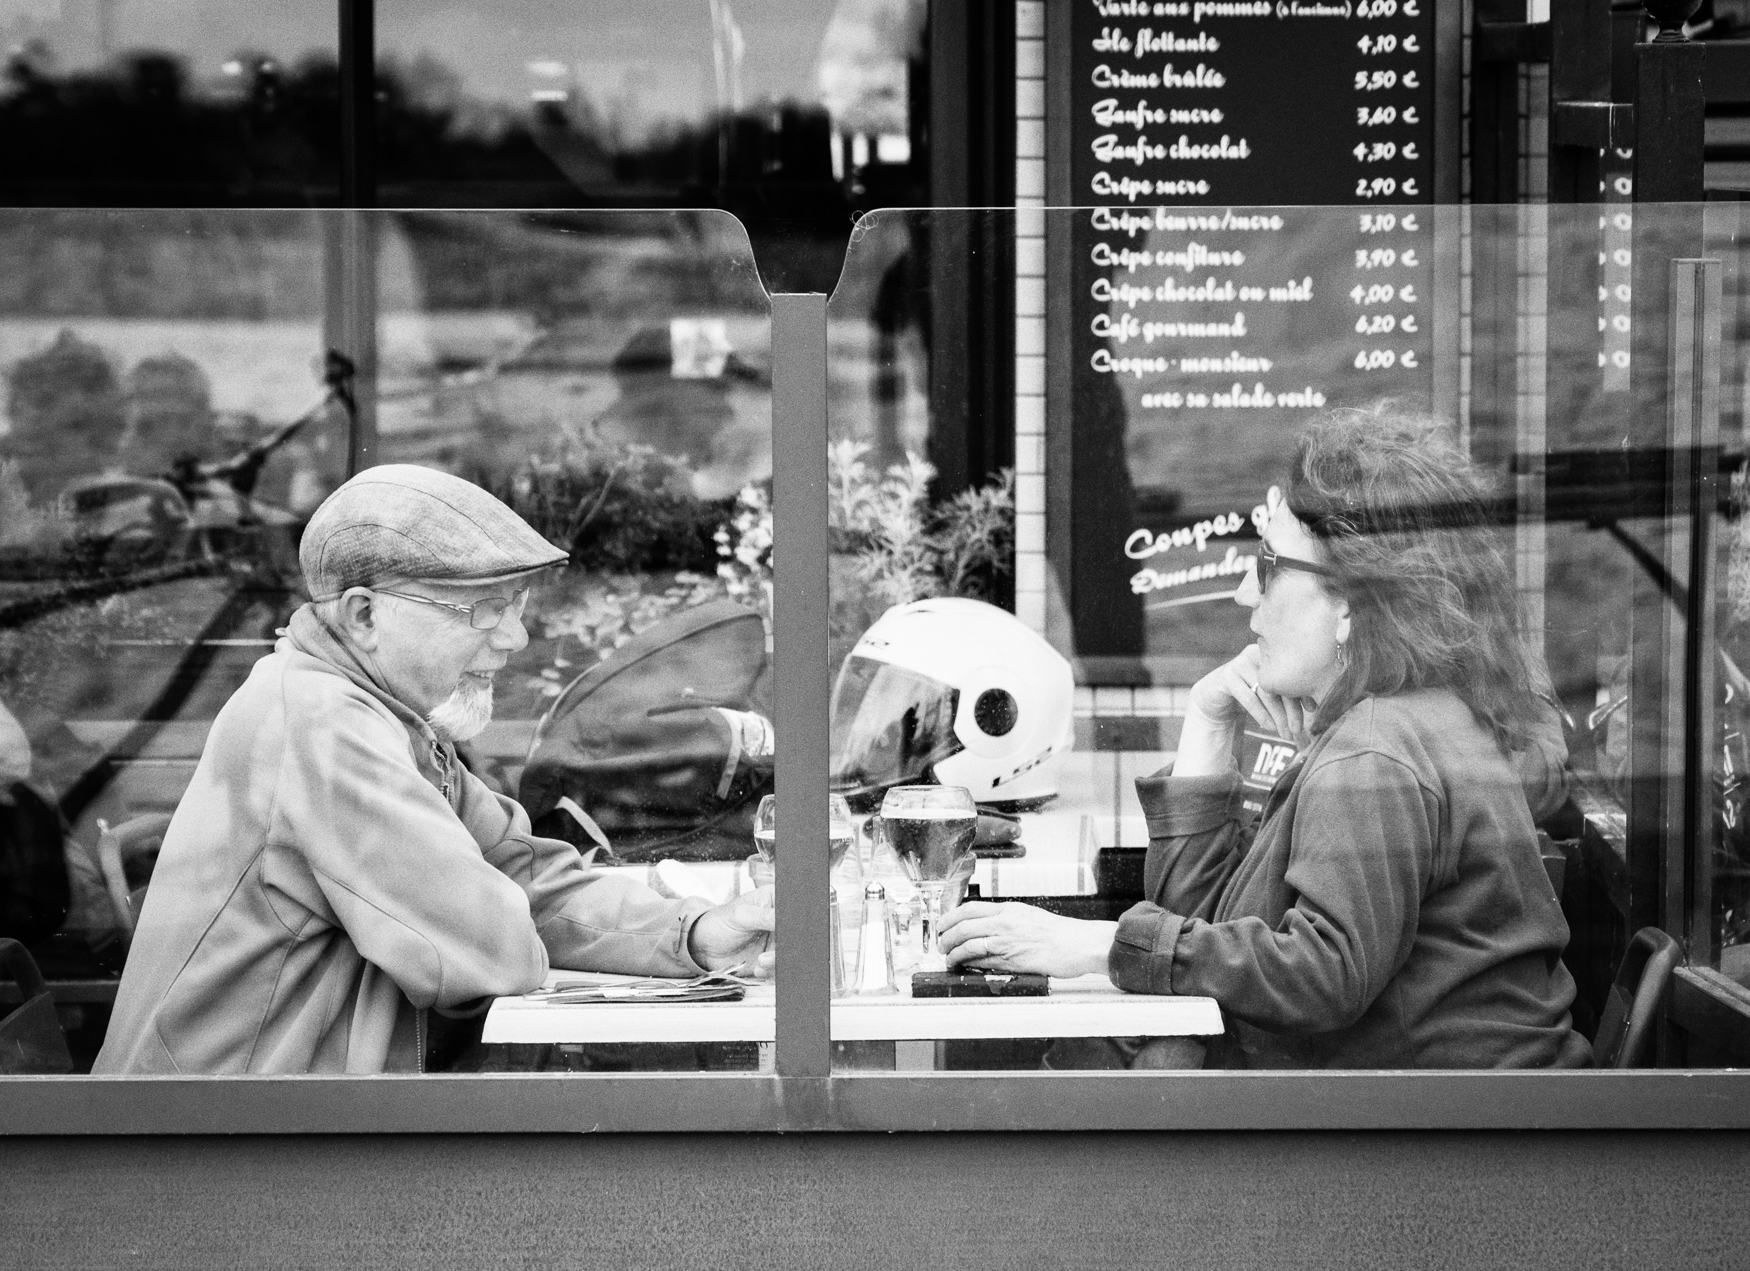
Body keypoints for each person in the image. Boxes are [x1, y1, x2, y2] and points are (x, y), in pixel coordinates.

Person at [939, 407, 1591, 1070]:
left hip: (1453, 1150)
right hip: (1447, 1128)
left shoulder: (1376, 748)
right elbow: (1208, 939)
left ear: (1351, 603)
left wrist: (1096, 944)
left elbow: (1321, 976)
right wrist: (1209, 728)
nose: (1244, 591)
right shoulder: (1387, 722)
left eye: (1270, 564)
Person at [95, 464, 772, 1075]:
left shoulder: (387, 717)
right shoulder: (321, 723)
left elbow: (526, 878)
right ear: (364, 615)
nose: (517, 638)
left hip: (291, 1133)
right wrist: (509, 904)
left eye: (518, 607)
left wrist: (699, 932)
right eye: (484, 609)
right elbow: (489, 944)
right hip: (213, 1162)